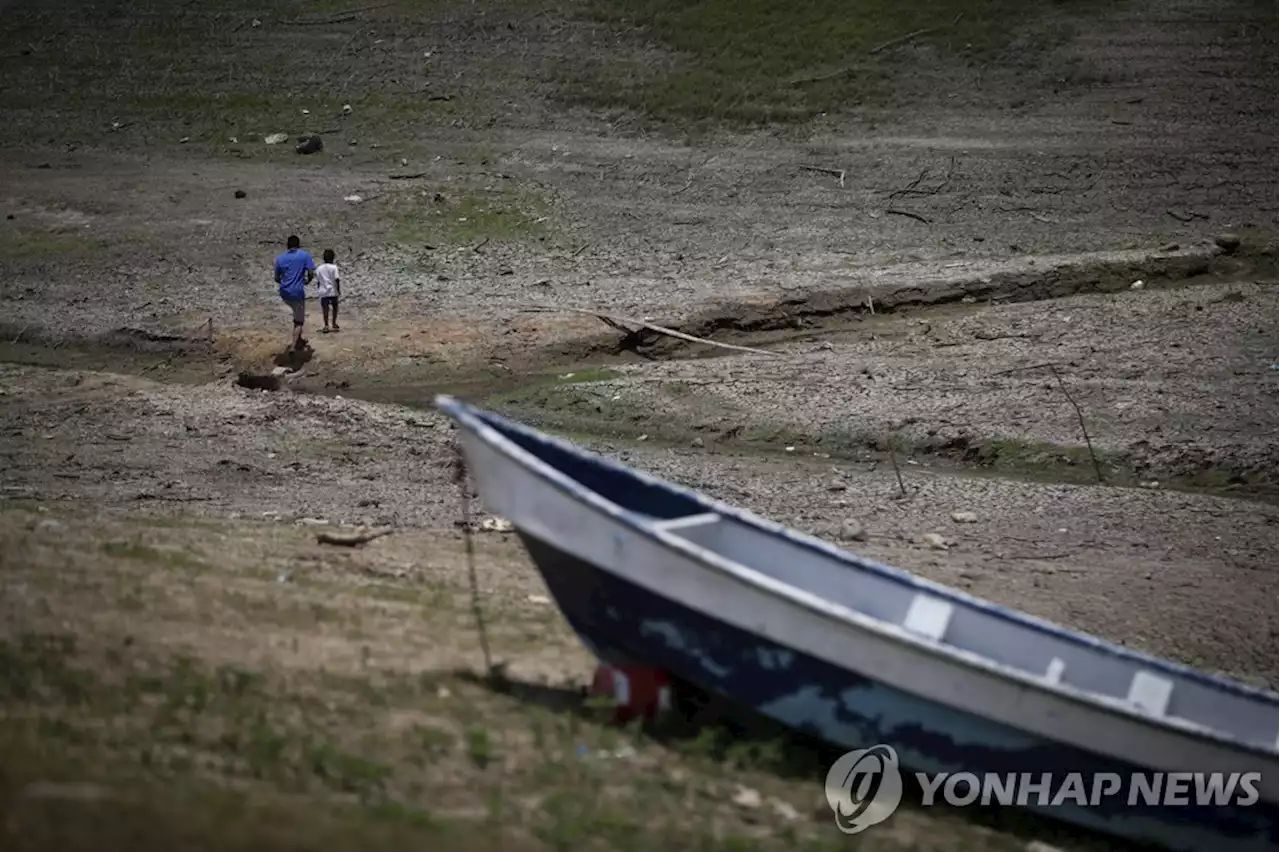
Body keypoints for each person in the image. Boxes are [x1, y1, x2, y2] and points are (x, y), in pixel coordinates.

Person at [274, 235, 315, 351]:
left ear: (287, 245)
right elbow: (311, 272)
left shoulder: (280, 258)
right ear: (298, 245)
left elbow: (277, 278)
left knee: (296, 313)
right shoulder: (304, 255)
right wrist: (307, 280)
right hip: (297, 293)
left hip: (284, 292)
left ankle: (299, 338)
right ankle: (293, 347)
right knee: (299, 321)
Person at [316, 249, 341, 333]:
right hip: (333, 291)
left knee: (325, 309)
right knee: (335, 307)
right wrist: (338, 289)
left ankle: (326, 324)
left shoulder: (319, 268)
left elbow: (319, 281)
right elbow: (337, 279)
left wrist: (319, 290)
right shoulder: (334, 267)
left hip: (323, 291)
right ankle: (334, 323)